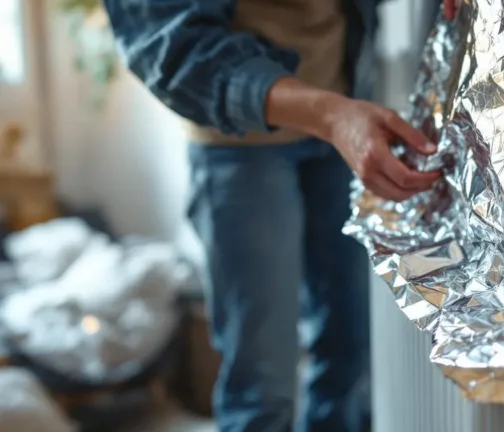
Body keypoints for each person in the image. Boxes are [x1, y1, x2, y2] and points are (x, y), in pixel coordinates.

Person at [104, 1, 456, 431]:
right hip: (239, 144)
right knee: (262, 383)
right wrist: (329, 115)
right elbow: (171, 46)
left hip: (344, 110)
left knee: (347, 357)